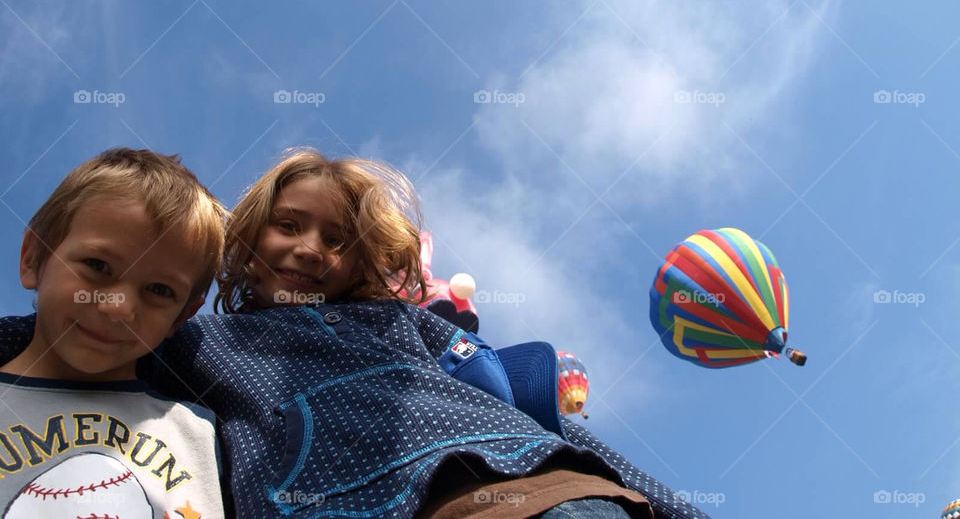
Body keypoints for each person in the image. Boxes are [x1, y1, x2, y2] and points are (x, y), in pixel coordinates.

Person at [0, 148, 710, 519]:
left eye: (337, 239)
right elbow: (64, 338)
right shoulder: (193, 342)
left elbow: (514, 410)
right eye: (288, 226)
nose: (310, 249)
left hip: (519, 488)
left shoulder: (398, 321)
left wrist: (668, 503)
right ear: (244, 246)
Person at [0, 148, 227, 519]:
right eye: (97, 265)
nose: (118, 308)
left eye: (159, 290)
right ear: (33, 259)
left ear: (181, 318)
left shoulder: (197, 433)